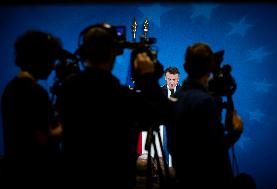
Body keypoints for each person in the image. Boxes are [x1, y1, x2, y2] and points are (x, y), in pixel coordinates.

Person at [56, 23, 170, 188]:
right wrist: (148, 77)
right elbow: (161, 114)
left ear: (83, 52)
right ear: (114, 52)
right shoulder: (122, 96)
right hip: (115, 180)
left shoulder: (67, 88)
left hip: (73, 178)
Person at [168, 42, 243, 188]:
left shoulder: (175, 98)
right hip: (208, 180)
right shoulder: (205, 101)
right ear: (210, 68)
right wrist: (237, 130)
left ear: (185, 67)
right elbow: (214, 150)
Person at [1, 30, 65, 186]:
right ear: (39, 59)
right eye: (50, 59)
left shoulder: (10, 88)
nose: (53, 66)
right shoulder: (35, 92)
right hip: (37, 174)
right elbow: (44, 138)